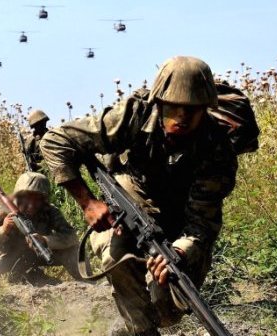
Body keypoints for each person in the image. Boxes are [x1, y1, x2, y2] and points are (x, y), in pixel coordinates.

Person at [40, 56, 238, 336]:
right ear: (159, 101)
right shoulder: (134, 115)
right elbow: (55, 141)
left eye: (192, 109)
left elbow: (203, 224)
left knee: (170, 307)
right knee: (115, 259)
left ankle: (134, 325)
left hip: (181, 226)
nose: (182, 116)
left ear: (205, 109)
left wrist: (180, 251)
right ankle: (139, 330)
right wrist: (88, 202)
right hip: (129, 206)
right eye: (174, 106)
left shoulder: (217, 150)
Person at [0, 171, 84, 281]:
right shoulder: (4, 214)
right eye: (28, 197)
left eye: (37, 198)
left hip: (42, 253)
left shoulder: (49, 211)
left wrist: (45, 240)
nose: (32, 204)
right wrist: (3, 230)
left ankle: (88, 282)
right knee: (2, 268)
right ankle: (31, 278)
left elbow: (71, 236)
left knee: (74, 251)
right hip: (15, 258)